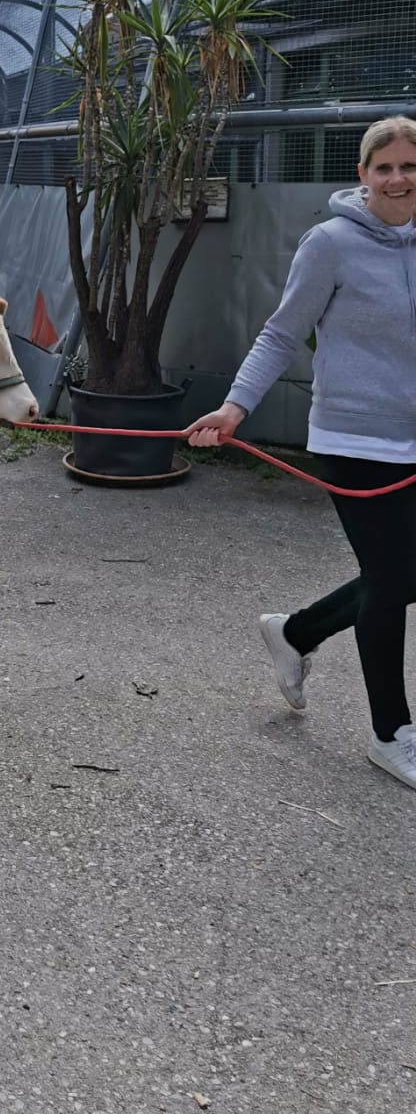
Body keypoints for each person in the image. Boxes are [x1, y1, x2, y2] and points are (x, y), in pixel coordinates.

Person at [186, 115, 416, 792]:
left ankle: (295, 633)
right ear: (363, 175)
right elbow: (282, 334)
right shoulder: (331, 244)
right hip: (354, 440)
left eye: (410, 166)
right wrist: (234, 408)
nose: (398, 179)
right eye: (385, 167)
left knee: (404, 576)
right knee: (392, 581)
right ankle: (391, 734)